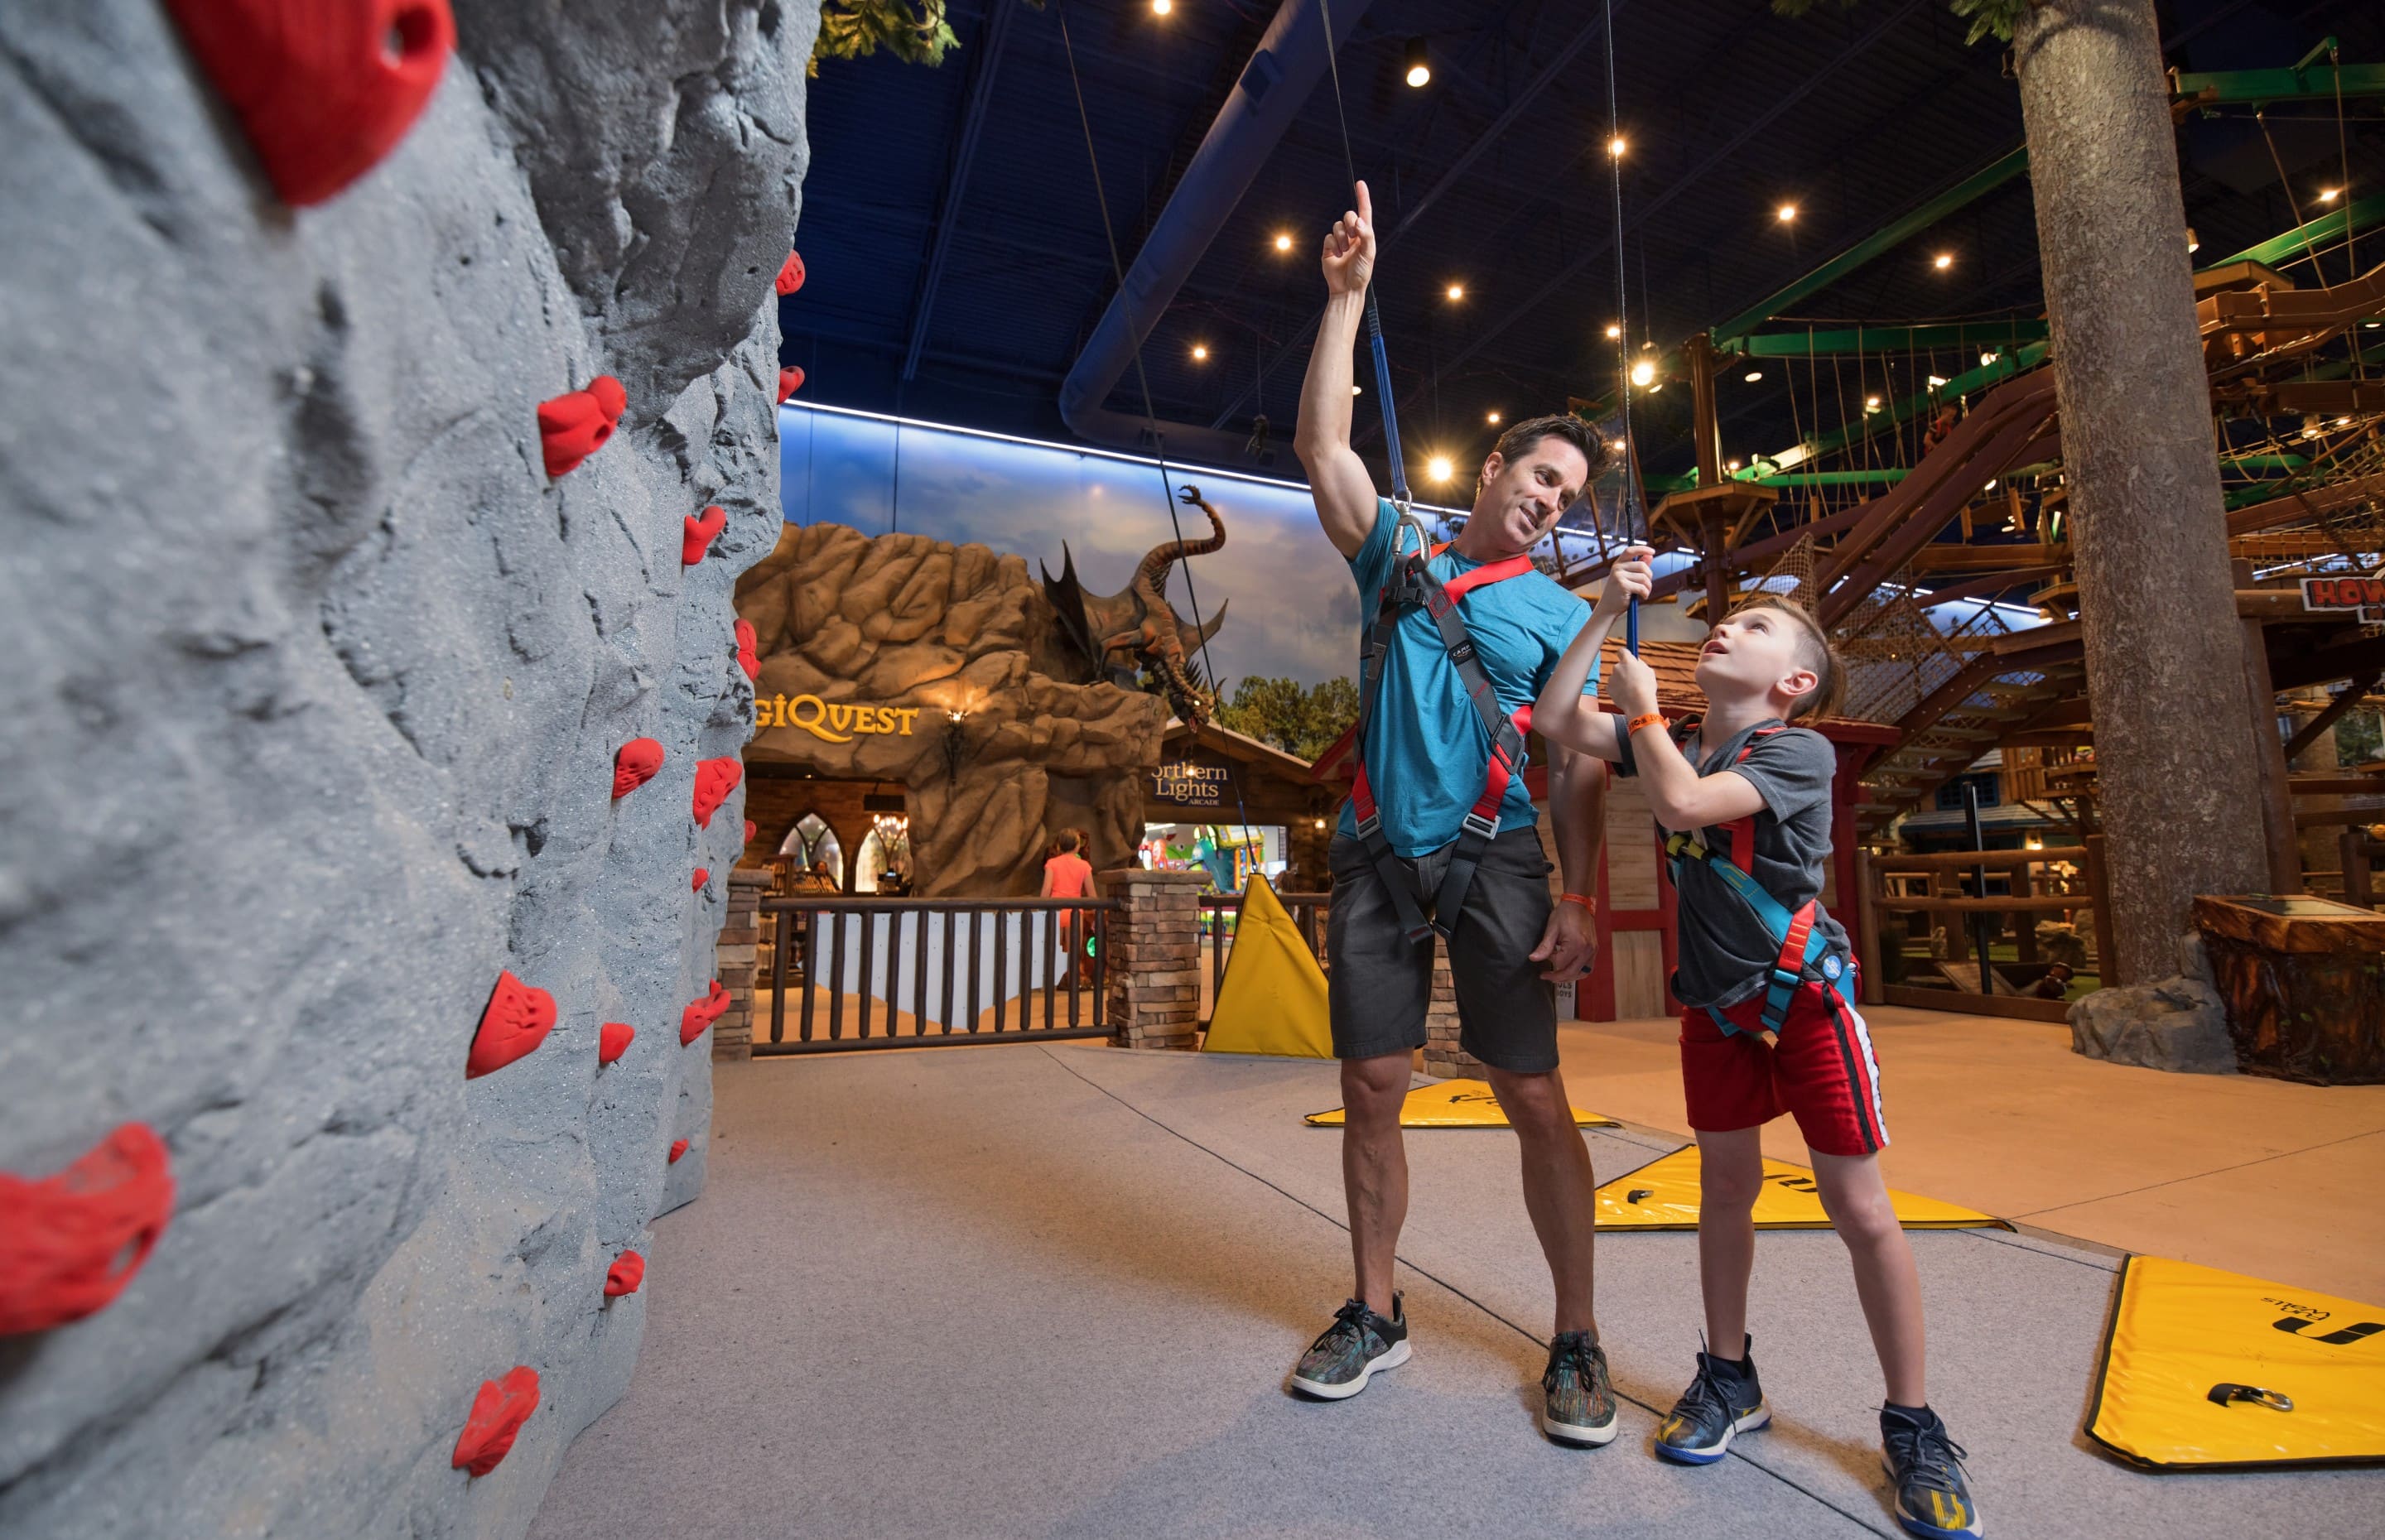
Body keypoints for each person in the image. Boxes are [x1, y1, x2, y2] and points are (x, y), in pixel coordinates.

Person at [1534, 562, 1983, 1540]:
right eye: (1726, 619)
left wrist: (1646, 719)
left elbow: (1688, 807)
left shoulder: (1801, 753)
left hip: (1808, 1004)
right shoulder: (1680, 738)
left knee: (1859, 1207)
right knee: (1724, 1190)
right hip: (1719, 1015)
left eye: (1757, 625)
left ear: (1794, 683)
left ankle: (1914, 1422)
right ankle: (1729, 1376)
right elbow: (1555, 720)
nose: (1727, 626)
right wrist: (1606, 614)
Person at [1286, 180, 1618, 1448]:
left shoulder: (1557, 613)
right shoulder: (1403, 564)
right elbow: (1325, 451)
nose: (1551, 499)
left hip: (1502, 866)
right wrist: (1347, 300)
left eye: (1570, 493)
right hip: (1377, 856)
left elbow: (1576, 762)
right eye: (1542, 474)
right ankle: (1375, 1310)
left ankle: (1576, 1336)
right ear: (1494, 469)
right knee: (1374, 1085)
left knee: (1532, 1093)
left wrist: (1581, 894)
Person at [1041, 830, 1097, 984]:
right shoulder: (1084, 866)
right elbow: (1092, 896)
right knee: (1073, 956)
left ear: (1059, 845)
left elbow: (1045, 892)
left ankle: (1049, 988)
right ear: (1077, 845)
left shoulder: (1052, 864)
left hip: (1055, 912)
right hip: (1075, 913)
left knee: (1052, 953)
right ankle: (1073, 990)